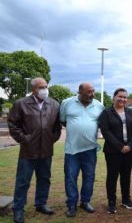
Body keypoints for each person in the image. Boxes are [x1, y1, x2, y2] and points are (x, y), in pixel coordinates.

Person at [8, 77, 61, 223]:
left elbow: (57, 126)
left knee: (44, 179)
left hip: (46, 150)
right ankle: (18, 209)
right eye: (41, 87)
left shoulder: (54, 104)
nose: (44, 89)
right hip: (28, 151)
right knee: (23, 181)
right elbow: (13, 124)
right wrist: (25, 139)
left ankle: (41, 204)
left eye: (46, 86)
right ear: (33, 89)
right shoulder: (21, 104)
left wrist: (52, 138)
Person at [60, 83, 104, 217]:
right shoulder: (67, 103)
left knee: (89, 177)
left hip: (90, 149)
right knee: (70, 178)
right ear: (80, 92)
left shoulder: (99, 105)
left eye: (93, 91)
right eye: (88, 92)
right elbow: (62, 120)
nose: (92, 94)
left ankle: (85, 201)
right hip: (72, 149)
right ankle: (72, 204)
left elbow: (101, 123)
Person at [99, 88, 132, 214]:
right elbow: (106, 131)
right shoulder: (106, 113)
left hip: (129, 150)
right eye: (120, 96)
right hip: (113, 151)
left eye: (125, 97)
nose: (122, 99)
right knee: (112, 176)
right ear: (114, 98)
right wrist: (120, 146)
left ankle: (126, 200)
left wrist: (130, 145)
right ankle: (111, 202)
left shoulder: (130, 112)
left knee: (126, 175)